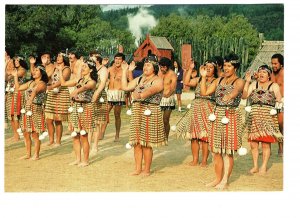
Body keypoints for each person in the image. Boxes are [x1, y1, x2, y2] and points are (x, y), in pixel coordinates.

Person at [200, 53, 245, 190]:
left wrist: (230, 95)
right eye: (225, 65)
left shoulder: (239, 81)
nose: (226, 68)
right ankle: (218, 179)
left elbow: (237, 91)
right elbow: (205, 92)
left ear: (235, 67)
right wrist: (203, 77)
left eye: (229, 66)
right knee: (216, 151)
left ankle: (225, 181)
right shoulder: (218, 80)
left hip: (230, 115)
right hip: (217, 114)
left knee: (227, 151)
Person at [121, 55, 166, 176]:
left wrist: (140, 95)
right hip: (137, 110)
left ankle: (146, 169)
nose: (145, 67)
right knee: (137, 142)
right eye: (145, 65)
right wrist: (125, 71)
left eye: (148, 65)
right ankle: (137, 169)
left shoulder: (158, 80)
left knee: (146, 143)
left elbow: (151, 91)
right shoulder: (140, 79)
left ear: (155, 67)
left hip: (150, 111)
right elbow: (125, 87)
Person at [177, 58, 218, 167]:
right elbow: (186, 82)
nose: (208, 69)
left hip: (208, 107)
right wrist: (190, 69)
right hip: (195, 107)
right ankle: (195, 159)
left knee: (204, 136)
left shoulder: (216, 81)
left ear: (215, 69)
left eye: (211, 67)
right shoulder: (199, 79)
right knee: (194, 136)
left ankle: (204, 160)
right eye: (206, 67)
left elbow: (206, 93)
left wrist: (204, 77)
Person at [242, 65, 283, 174]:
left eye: (264, 72)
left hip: (267, 117)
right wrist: (247, 82)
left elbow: (279, 98)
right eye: (260, 72)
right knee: (253, 143)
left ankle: (264, 166)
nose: (261, 74)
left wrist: (278, 102)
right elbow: (244, 96)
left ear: (269, 75)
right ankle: (255, 166)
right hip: (254, 116)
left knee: (265, 143)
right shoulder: (253, 84)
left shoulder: (273, 85)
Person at [60, 57, 97, 167]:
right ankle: (77, 159)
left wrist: (76, 91)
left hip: (85, 108)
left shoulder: (92, 82)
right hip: (76, 107)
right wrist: (60, 71)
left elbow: (85, 87)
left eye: (85, 67)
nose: (82, 68)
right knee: (75, 135)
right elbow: (63, 83)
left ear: (91, 70)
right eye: (82, 67)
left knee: (83, 135)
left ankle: (85, 160)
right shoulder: (79, 79)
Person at [12, 65, 48, 160]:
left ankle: (36, 154)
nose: (34, 72)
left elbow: (35, 91)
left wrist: (30, 100)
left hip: (36, 108)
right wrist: (15, 76)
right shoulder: (31, 82)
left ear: (41, 72)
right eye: (34, 70)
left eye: (37, 70)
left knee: (34, 132)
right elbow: (18, 88)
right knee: (26, 132)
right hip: (27, 108)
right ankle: (28, 154)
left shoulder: (42, 83)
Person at [44, 51, 71, 147]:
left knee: (58, 119)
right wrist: (52, 68)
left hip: (61, 93)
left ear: (64, 58)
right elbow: (47, 78)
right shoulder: (54, 67)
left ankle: (58, 141)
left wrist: (51, 87)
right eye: (57, 56)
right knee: (48, 119)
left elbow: (62, 80)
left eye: (60, 56)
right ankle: (51, 140)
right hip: (52, 94)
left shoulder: (67, 68)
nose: (58, 58)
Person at [107, 53, 132, 142]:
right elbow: (101, 77)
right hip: (110, 93)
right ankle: (101, 132)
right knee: (105, 113)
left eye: (119, 59)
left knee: (117, 115)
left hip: (119, 94)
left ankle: (117, 135)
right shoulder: (110, 69)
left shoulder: (127, 70)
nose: (117, 61)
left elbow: (132, 82)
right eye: (116, 59)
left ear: (123, 61)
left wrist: (128, 92)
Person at [5, 55, 28, 142]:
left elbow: (11, 75)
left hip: (18, 93)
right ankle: (15, 134)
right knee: (11, 115)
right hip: (11, 93)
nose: (16, 62)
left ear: (21, 61)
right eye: (15, 60)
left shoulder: (22, 70)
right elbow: (6, 78)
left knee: (15, 115)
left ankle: (18, 134)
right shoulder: (15, 70)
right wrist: (7, 63)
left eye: (18, 60)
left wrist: (9, 71)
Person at [90, 55, 109, 156]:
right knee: (89, 121)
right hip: (89, 95)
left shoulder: (104, 69)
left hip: (99, 96)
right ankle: (88, 143)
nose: (90, 59)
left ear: (97, 60)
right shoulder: (91, 69)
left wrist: (96, 95)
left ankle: (95, 145)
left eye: (92, 58)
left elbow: (102, 84)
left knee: (97, 122)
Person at [158, 57, 177, 140]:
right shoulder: (158, 73)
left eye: (164, 67)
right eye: (161, 67)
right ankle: (158, 136)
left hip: (168, 99)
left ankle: (166, 137)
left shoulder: (172, 74)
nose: (162, 69)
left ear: (168, 66)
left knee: (165, 120)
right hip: (158, 98)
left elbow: (173, 88)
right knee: (157, 119)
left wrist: (167, 95)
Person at [270, 53, 284, 157]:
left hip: (283, 101)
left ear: (281, 64)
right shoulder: (270, 74)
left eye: (276, 63)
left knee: (280, 124)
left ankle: (281, 148)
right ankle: (268, 147)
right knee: (273, 125)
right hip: (272, 102)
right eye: (272, 63)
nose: (273, 65)